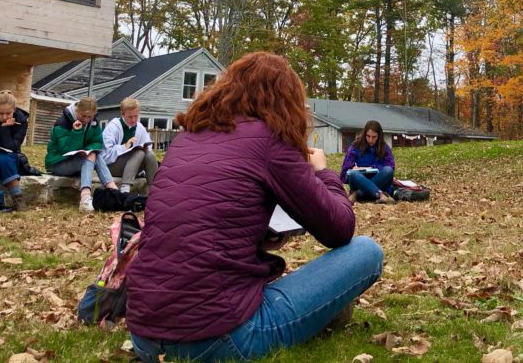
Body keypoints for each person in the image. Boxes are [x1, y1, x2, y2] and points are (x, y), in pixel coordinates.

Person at [126, 52, 383, 363]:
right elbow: (340, 229)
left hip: (143, 335)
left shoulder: (187, 138)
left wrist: (259, 233)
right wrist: (322, 172)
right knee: (366, 252)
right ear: (286, 100)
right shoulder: (272, 142)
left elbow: (199, 221)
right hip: (218, 340)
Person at [44, 97, 117, 212]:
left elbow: (97, 142)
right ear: (77, 111)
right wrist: (77, 132)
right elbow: (65, 150)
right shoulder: (62, 123)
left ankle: (112, 191)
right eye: (84, 116)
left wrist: (87, 150)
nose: (86, 120)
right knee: (91, 156)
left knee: (94, 154)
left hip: (77, 161)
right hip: (57, 163)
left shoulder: (93, 123)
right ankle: (87, 196)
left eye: (90, 117)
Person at [101, 97, 158, 194]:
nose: (134, 119)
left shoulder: (140, 128)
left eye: (136, 116)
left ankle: (154, 190)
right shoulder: (113, 127)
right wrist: (125, 146)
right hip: (112, 167)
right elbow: (105, 155)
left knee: (149, 154)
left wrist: (146, 148)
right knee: (139, 152)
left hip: (132, 166)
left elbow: (148, 148)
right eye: (130, 117)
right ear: (122, 114)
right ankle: (125, 189)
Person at [339, 120, 397, 205]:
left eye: (374, 137)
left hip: (378, 180)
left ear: (379, 136)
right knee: (353, 174)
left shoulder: (384, 148)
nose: (370, 140)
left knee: (388, 170)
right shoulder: (355, 147)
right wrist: (354, 170)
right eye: (368, 136)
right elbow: (344, 174)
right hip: (359, 180)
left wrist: (373, 168)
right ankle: (381, 195)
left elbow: (390, 166)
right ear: (364, 134)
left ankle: (358, 194)